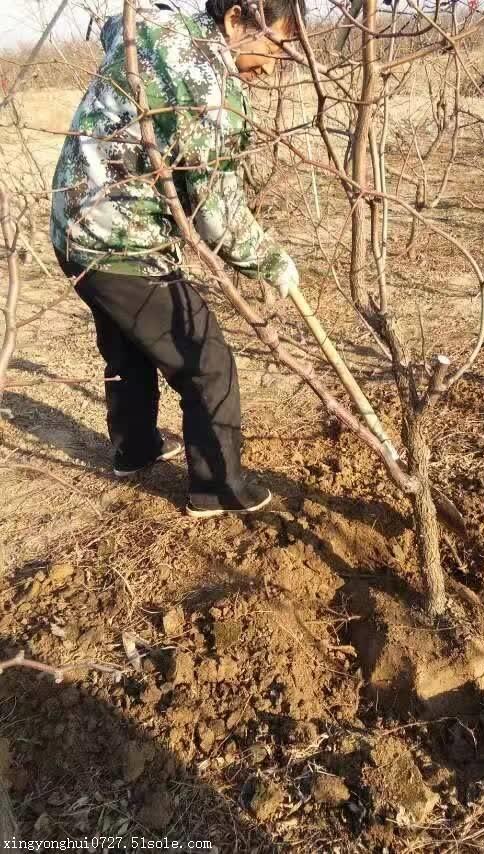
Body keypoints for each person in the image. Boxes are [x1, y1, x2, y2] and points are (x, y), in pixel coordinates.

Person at [50, 0, 304, 517]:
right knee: (206, 360)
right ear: (237, 17)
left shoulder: (154, 24)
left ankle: (134, 448)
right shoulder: (207, 85)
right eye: (274, 44)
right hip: (121, 243)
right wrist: (272, 262)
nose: (273, 63)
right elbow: (216, 214)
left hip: (71, 224)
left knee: (128, 345)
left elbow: (110, 29)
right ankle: (220, 487)